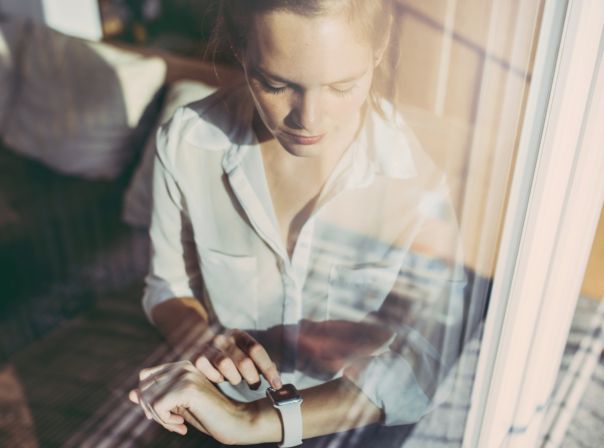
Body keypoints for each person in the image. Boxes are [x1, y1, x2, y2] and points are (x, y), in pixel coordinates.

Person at [129, 0, 467, 445]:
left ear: (380, 49)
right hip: (217, 410)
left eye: (342, 86)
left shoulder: (422, 175)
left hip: (352, 424)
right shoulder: (188, 143)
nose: (309, 119)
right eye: (275, 84)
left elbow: (431, 355)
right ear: (239, 48)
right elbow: (168, 286)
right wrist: (204, 342)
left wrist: (254, 424)